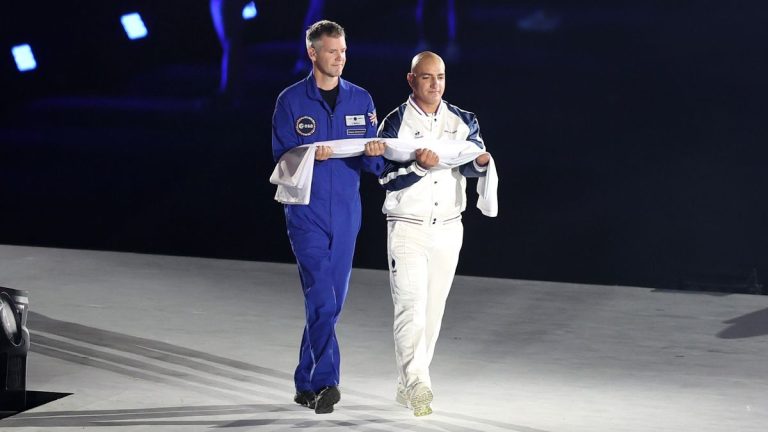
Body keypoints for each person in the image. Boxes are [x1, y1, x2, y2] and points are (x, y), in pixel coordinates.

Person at [271, 20, 386, 414]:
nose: (341, 58)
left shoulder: (361, 100)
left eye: (343, 51)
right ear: (313, 53)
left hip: (347, 215)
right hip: (306, 212)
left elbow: (376, 167)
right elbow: (281, 158)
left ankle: (304, 380)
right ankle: (326, 383)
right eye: (333, 51)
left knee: (331, 304)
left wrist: (375, 155)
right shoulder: (291, 101)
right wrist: (307, 154)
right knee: (321, 295)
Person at [376, 51, 490, 416]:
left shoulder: (463, 120)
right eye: (427, 77)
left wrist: (481, 164)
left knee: (433, 311)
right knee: (410, 308)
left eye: (440, 77)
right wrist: (418, 168)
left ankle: (406, 382)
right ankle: (418, 384)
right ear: (411, 80)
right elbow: (384, 177)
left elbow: (470, 162)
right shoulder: (394, 122)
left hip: (448, 228)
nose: (435, 84)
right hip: (407, 226)